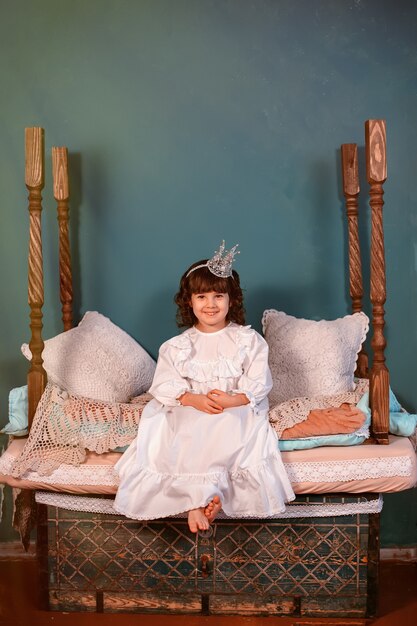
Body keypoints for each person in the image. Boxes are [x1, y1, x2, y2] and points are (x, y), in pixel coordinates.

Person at [114, 241, 295, 532]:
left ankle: (209, 495)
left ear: (231, 300)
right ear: (189, 301)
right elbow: (164, 384)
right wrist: (191, 399)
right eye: (201, 296)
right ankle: (197, 501)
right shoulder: (177, 347)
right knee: (182, 428)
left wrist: (232, 401)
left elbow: (259, 382)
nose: (210, 304)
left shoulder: (248, 341)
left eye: (218, 296)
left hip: (235, 406)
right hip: (193, 405)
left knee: (230, 427)